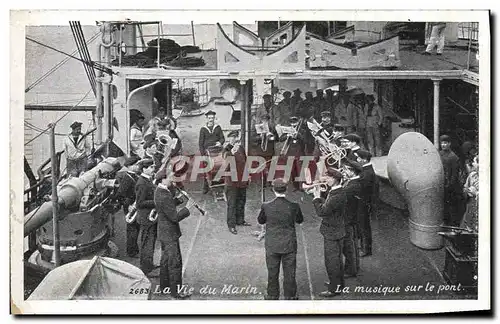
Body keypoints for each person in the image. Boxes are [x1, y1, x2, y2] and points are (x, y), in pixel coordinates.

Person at [258, 178, 304, 300]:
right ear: (286, 189)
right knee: (290, 272)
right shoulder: (294, 206)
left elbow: (260, 220)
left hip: (272, 244)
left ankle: (272, 295)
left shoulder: (266, 206)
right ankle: (290, 295)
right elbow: (300, 220)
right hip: (289, 244)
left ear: (273, 190)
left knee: (272, 272)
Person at [154, 163, 192, 299]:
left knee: (165, 261)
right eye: (170, 176)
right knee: (175, 263)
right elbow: (174, 217)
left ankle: (165, 286)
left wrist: (179, 200)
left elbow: (167, 206)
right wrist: (187, 208)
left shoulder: (160, 191)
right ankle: (177, 292)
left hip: (163, 232)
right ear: (163, 179)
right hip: (170, 233)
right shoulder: (164, 194)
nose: (172, 179)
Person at [312, 167, 347, 298]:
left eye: (327, 178)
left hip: (332, 232)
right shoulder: (338, 192)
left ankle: (334, 289)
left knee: (331, 261)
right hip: (338, 230)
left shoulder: (336, 195)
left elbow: (322, 212)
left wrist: (316, 198)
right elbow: (329, 205)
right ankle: (338, 284)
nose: (325, 180)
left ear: (334, 179)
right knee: (337, 260)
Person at [114, 157, 141, 257]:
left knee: (135, 228)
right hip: (130, 207)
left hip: (134, 205)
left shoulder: (133, 176)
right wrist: (128, 205)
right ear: (130, 166)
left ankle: (134, 249)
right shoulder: (127, 179)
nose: (138, 166)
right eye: (136, 165)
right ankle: (131, 251)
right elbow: (119, 195)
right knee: (132, 229)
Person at [134, 158, 158, 276]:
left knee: (150, 242)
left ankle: (149, 264)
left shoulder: (147, 180)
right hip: (146, 218)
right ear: (144, 169)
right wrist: (156, 202)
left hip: (149, 218)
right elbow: (140, 203)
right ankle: (146, 269)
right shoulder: (142, 183)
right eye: (151, 167)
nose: (153, 169)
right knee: (147, 244)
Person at [224, 130, 250, 234]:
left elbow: (246, 161)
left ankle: (240, 220)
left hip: (242, 180)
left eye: (237, 140)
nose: (236, 142)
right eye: (233, 139)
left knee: (241, 201)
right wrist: (231, 153)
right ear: (229, 140)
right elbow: (225, 166)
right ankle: (231, 225)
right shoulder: (226, 151)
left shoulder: (241, 148)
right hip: (232, 182)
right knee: (232, 203)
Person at [340, 159, 363, 277]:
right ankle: (354, 267)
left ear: (352, 172)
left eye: (345, 170)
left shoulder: (351, 187)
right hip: (352, 218)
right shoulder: (353, 183)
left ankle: (351, 270)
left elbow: (340, 200)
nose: (343, 172)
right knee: (351, 245)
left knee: (348, 246)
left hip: (347, 219)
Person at [354, 150, 378, 257]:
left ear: (364, 160)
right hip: (364, 202)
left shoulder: (366, 173)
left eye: (358, 158)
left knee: (364, 227)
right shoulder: (366, 170)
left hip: (363, 203)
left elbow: (361, 188)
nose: (357, 160)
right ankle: (364, 246)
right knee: (362, 225)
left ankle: (366, 249)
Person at [198, 110, 225, 194]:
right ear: (206, 119)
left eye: (212, 118)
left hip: (217, 150)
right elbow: (200, 143)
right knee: (206, 168)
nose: (211, 120)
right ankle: (205, 186)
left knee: (221, 165)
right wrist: (203, 154)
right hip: (207, 151)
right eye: (209, 118)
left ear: (214, 118)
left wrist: (220, 142)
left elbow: (222, 138)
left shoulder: (218, 127)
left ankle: (220, 183)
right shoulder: (203, 129)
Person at [278, 116, 306, 191]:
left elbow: (305, 140)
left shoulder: (302, 130)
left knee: (300, 170)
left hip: (299, 152)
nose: (293, 124)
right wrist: (287, 135)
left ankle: (301, 186)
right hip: (290, 152)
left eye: (295, 122)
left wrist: (298, 134)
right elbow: (280, 139)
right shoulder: (288, 130)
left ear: (298, 122)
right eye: (292, 122)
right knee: (292, 170)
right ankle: (295, 186)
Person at [439, 135, 462, 226]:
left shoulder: (454, 157)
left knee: (451, 208)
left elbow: (454, 175)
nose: (443, 145)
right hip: (441, 184)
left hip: (450, 187)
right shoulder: (439, 154)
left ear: (449, 144)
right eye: (442, 143)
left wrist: (449, 186)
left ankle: (451, 226)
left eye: (445, 143)